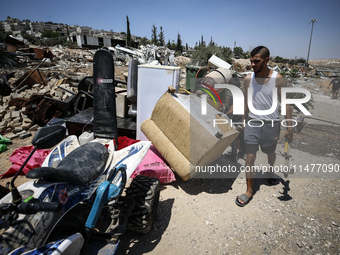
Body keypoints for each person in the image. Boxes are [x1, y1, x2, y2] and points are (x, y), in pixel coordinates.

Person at [235, 46, 293, 207]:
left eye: (257, 61)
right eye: (251, 61)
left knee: (270, 152)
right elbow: (246, 101)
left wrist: (290, 128)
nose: (253, 64)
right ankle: (248, 191)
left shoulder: (278, 79)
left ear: (267, 60)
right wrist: (243, 120)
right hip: (253, 122)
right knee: (250, 156)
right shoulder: (248, 79)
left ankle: (270, 170)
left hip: (271, 124)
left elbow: (287, 104)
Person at [226, 77, 246, 162]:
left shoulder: (233, 97)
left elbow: (232, 111)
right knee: (242, 138)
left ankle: (233, 155)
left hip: (236, 119)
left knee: (234, 137)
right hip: (244, 119)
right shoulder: (244, 94)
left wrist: (224, 115)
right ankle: (243, 154)